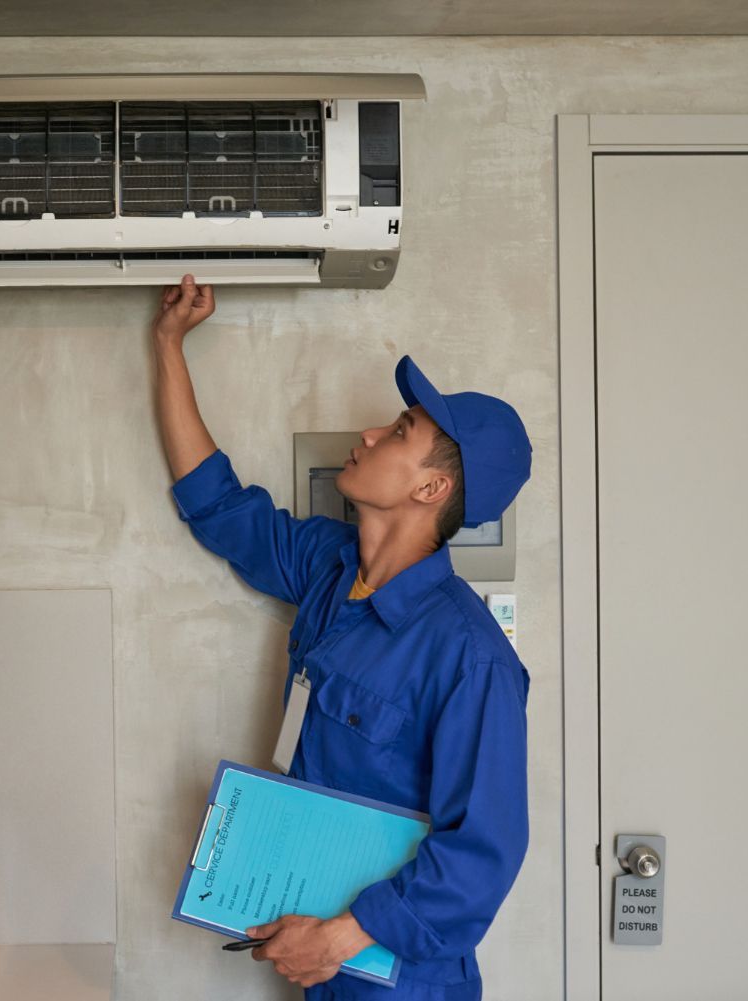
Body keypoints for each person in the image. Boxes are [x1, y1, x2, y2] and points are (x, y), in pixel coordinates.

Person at [151, 275, 532, 1001]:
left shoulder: (471, 657)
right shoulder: (331, 566)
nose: (367, 435)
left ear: (431, 491)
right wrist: (168, 345)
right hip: (323, 965)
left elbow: (483, 854)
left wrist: (337, 937)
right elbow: (217, 506)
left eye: (397, 434)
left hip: (400, 979)